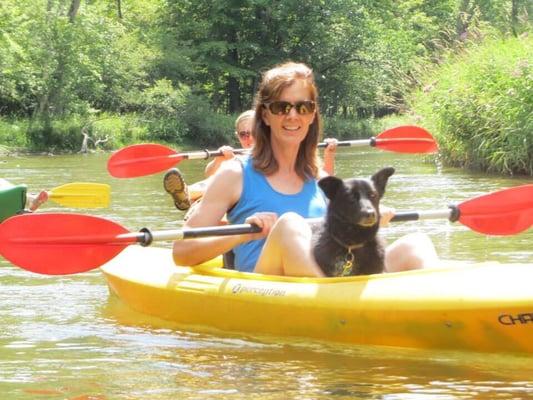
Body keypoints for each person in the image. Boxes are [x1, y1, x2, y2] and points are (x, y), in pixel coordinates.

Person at [172, 61, 439, 276]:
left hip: (324, 272)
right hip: (268, 286)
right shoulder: (234, 174)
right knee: (289, 225)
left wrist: (369, 221)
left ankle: (442, 315)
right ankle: (337, 305)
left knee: (416, 243)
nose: (293, 115)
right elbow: (182, 252)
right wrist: (241, 233)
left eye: (303, 107)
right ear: (265, 114)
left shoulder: (322, 179)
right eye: (281, 107)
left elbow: (342, 241)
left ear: (312, 115)